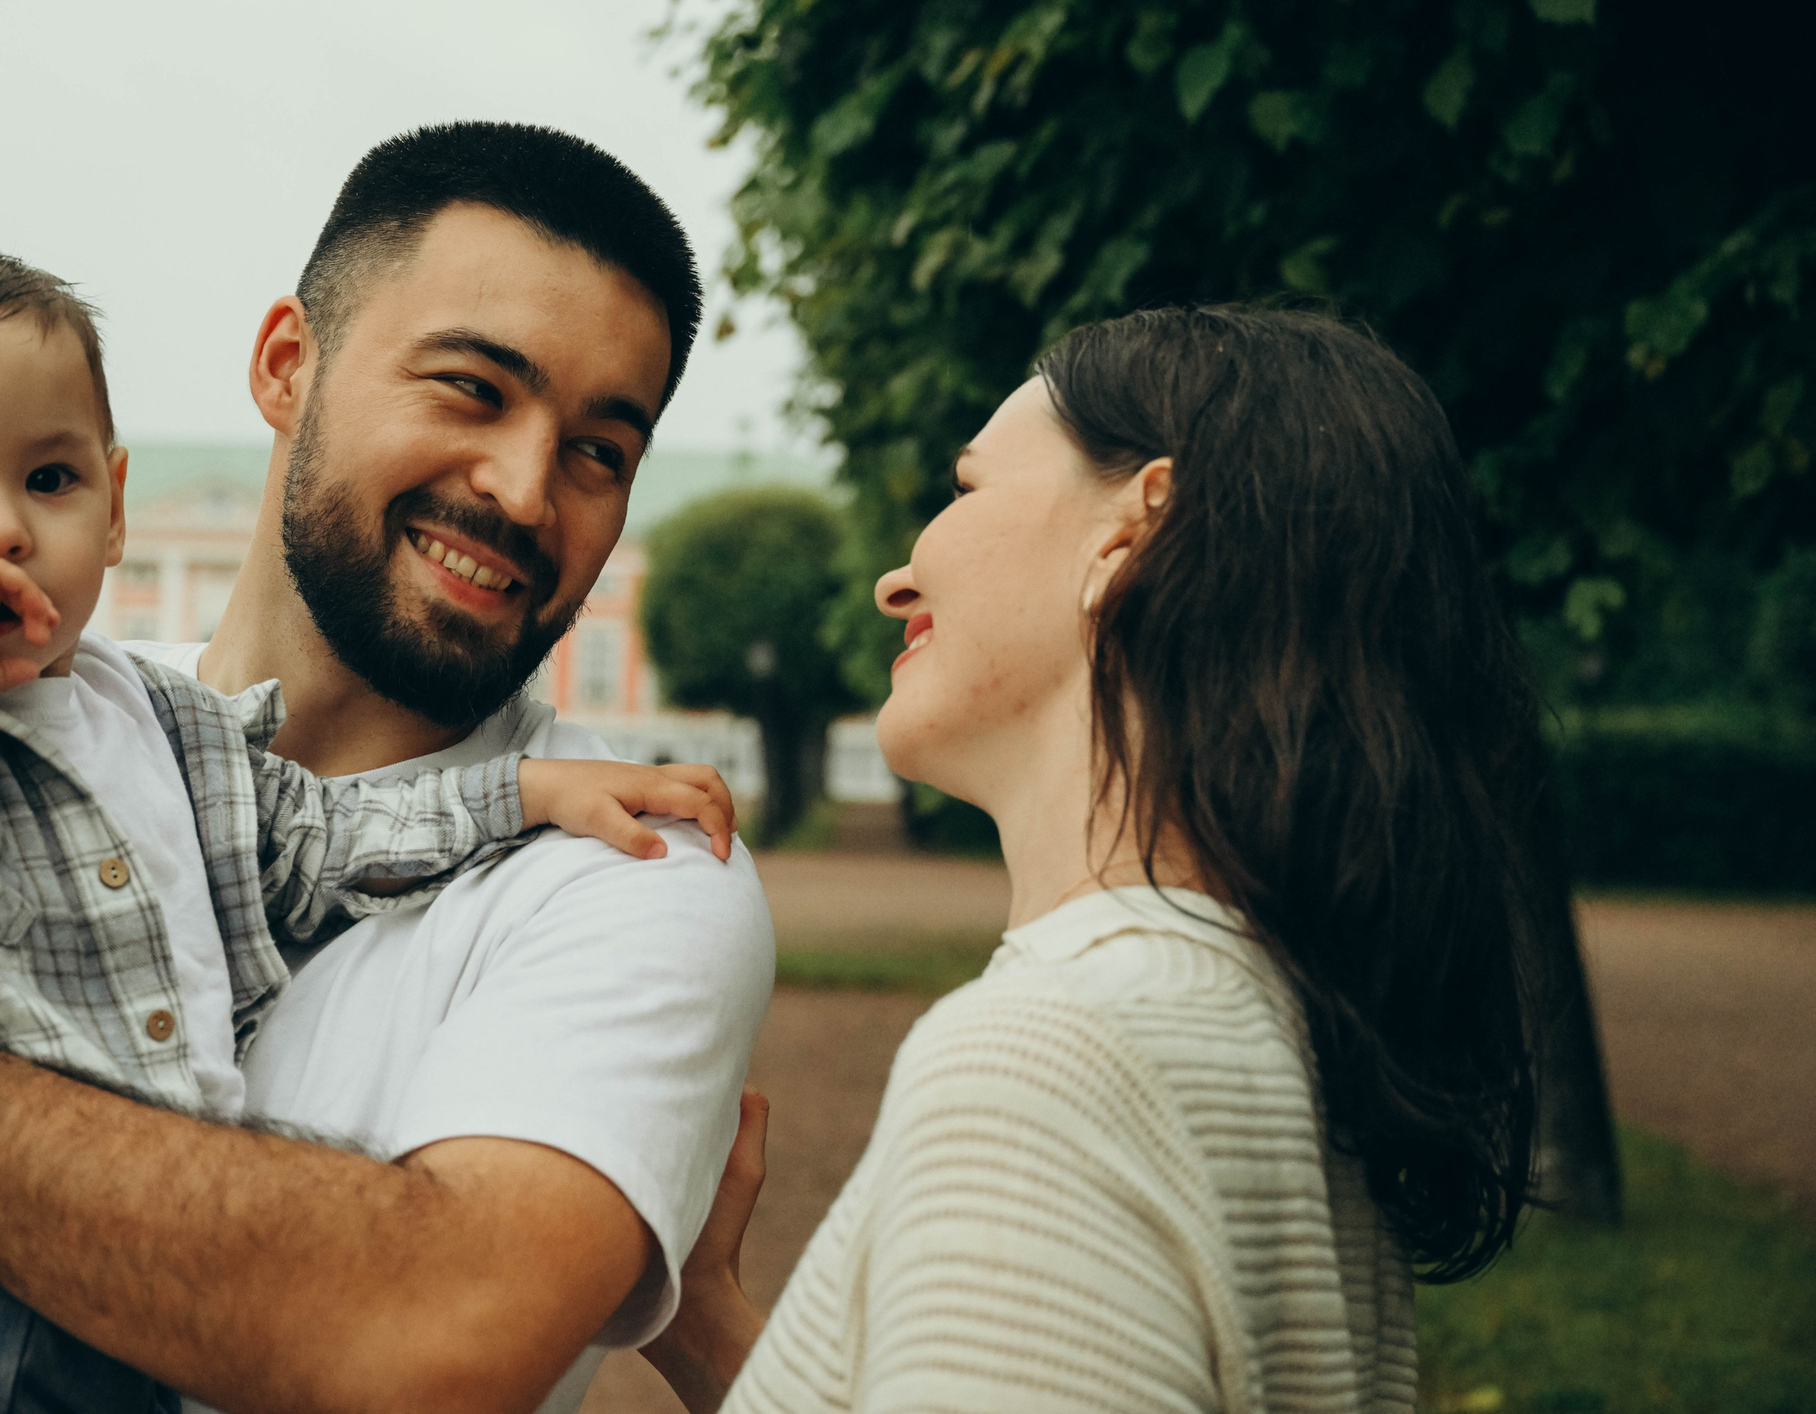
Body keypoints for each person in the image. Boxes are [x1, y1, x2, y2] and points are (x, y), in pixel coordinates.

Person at [0, 121, 778, 1414]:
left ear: (111, 491)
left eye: (601, 447)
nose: (529, 490)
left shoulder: (637, 863)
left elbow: (439, 1337)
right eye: (472, 387)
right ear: (284, 367)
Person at [642, 307, 1565, 1414]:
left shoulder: (1055, 1062)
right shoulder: (1264, 1014)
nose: (897, 579)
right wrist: (700, 1322)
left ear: (1129, 537)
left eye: (969, 487)